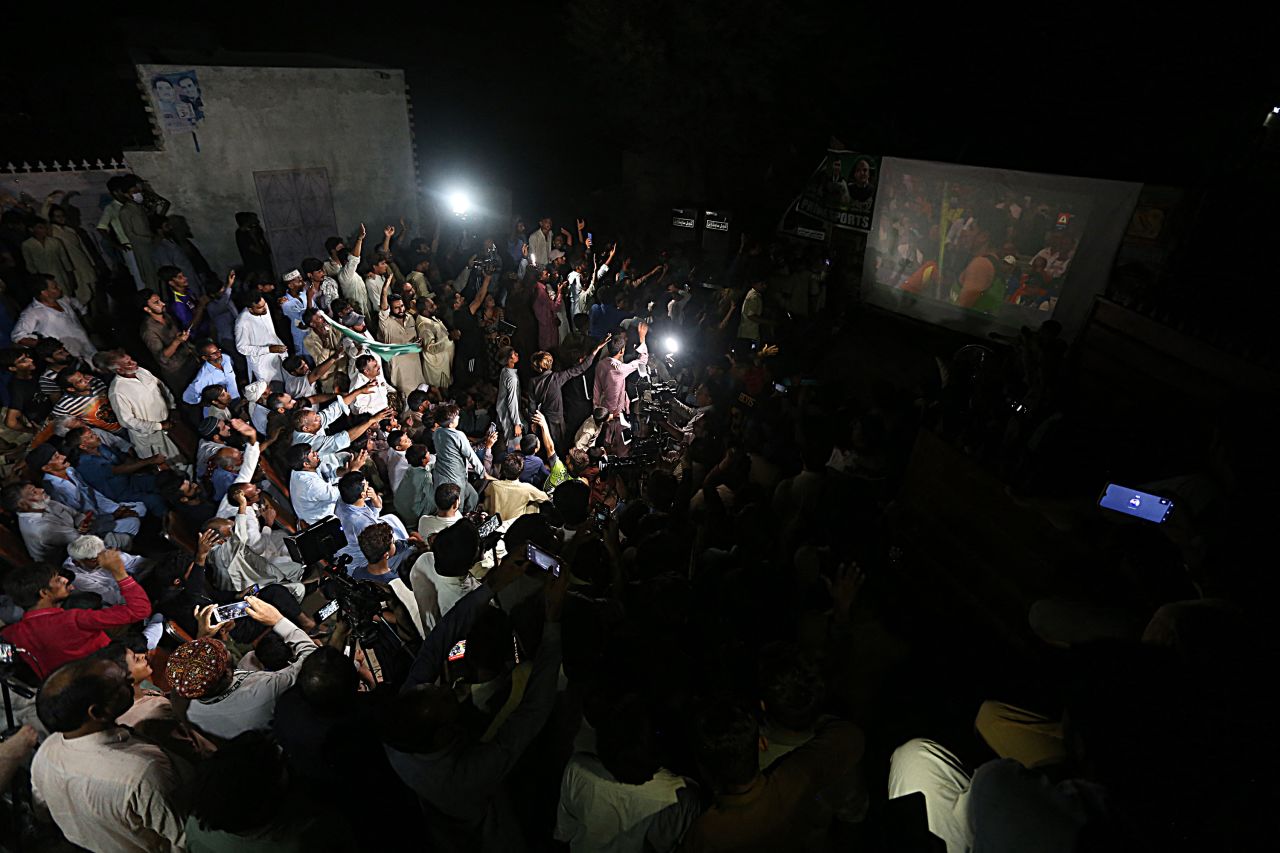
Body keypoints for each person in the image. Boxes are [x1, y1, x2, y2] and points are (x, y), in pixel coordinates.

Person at [383, 556, 567, 852]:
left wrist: (493, 585)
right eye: (447, 698)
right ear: (445, 733)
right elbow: (533, 711)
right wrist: (553, 622)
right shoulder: (468, 774)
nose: (452, 689)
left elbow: (437, 643)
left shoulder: (400, 728)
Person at [31, 656, 193, 852]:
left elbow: (42, 808)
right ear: (97, 713)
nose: (131, 681)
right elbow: (184, 839)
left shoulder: (47, 750)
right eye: (121, 683)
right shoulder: (141, 772)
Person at [677, 698, 866, 852]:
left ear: (703, 769)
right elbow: (850, 736)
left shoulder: (707, 834)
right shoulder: (793, 780)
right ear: (761, 744)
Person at [169, 595, 316, 739]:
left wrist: (203, 637)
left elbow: (197, 669)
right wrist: (278, 620)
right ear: (228, 672)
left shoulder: (182, 693)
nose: (222, 644)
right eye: (223, 649)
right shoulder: (266, 693)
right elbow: (315, 662)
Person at [1, 552, 152, 679]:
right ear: (44, 593)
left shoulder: (10, 634)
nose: (65, 579)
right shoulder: (74, 619)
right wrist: (119, 572)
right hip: (112, 675)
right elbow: (140, 610)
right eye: (58, 580)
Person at [105, 349, 191, 474]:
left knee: (183, 455)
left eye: (131, 359)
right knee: (170, 465)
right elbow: (127, 421)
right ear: (119, 370)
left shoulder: (141, 371)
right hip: (150, 435)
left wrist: (172, 406)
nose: (134, 363)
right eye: (128, 363)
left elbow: (162, 387)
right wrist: (158, 426)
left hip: (169, 424)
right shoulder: (118, 391)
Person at [527, 338, 608, 452]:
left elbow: (531, 404)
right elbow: (580, 368)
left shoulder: (532, 382)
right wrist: (596, 350)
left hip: (542, 418)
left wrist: (533, 421)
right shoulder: (557, 378)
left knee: (545, 444)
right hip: (557, 420)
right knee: (559, 446)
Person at [10, 273, 96, 361]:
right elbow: (17, 336)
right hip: (71, 358)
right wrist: (48, 346)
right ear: (44, 293)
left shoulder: (64, 300)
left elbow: (82, 310)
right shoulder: (32, 313)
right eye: (55, 287)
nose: (60, 288)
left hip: (90, 349)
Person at [432, 403, 495, 512]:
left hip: (442, 474)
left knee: (473, 496)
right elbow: (471, 455)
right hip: (455, 477)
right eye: (456, 417)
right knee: (456, 508)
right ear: (451, 424)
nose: (459, 417)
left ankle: (468, 517)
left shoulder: (437, 432)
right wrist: (483, 473)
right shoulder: (458, 435)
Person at [139, 287, 201, 394]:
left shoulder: (166, 315)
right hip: (178, 371)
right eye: (156, 302)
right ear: (147, 309)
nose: (162, 303)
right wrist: (176, 341)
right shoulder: (148, 330)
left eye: (160, 300)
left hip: (189, 358)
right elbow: (162, 357)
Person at [287, 443, 369, 524]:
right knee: (363, 497)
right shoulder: (310, 485)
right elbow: (344, 492)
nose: (316, 453)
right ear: (306, 464)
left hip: (328, 501)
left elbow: (329, 471)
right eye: (313, 454)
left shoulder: (301, 467)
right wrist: (354, 469)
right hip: (323, 520)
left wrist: (346, 471)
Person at [63, 534, 149, 607]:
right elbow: (115, 599)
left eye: (102, 555)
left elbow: (142, 563)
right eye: (94, 560)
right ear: (76, 563)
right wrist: (118, 571)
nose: (102, 561)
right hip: (117, 602)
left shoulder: (102, 553)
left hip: (134, 586)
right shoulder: (77, 579)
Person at [235, 291, 289, 385]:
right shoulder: (242, 322)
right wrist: (268, 349)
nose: (265, 308)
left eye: (264, 304)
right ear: (250, 309)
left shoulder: (264, 307)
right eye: (260, 307)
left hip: (278, 354)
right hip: (263, 364)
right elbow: (241, 348)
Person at [483, 452, 551, 521]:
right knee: (535, 504)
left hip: (496, 522)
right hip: (514, 525)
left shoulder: (494, 484)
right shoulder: (526, 488)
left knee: (489, 498)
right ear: (520, 472)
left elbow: (486, 493)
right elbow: (545, 498)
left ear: (503, 471)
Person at [182, 339, 240, 407]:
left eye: (218, 351)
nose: (219, 355)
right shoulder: (202, 378)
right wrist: (208, 402)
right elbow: (186, 398)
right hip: (224, 409)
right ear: (205, 358)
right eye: (214, 354)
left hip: (237, 399)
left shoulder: (226, 358)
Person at [417, 293, 455, 389]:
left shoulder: (431, 318)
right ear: (425, 311)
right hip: (437, 369)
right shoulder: (424, 326)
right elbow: (431, 348)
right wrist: (450, 338)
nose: (435, 306)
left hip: (443, 364)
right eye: (431, 306)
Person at [394, 443, 436, 522]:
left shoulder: (410, 469)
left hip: (399, 506)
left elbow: (426, 467)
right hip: (412, 513)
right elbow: (431, 499)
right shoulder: (426, 476)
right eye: (427, 453)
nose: (429, 453)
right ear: (423, 459)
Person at [496, 345, 523, 441]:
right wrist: (516, 423)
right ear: (509, 360)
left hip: (502, 412)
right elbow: (512, 400)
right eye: (513, 354)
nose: (517, 354)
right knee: (514, 448)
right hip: (509, 417)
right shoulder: (512, 378)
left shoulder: (504, 371)